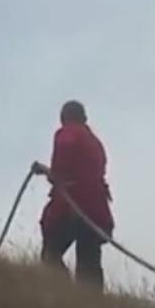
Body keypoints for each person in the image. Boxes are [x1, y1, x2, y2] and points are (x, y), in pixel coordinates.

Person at [32, 100, 114, 291]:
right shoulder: (95, 143)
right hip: (97, 209)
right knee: (89, 263)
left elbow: (60, 173)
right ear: (84, 117)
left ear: (64, 118)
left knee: (51, 254)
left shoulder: (67, 133)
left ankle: (64, 294)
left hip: (74, 206)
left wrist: (47, 172)